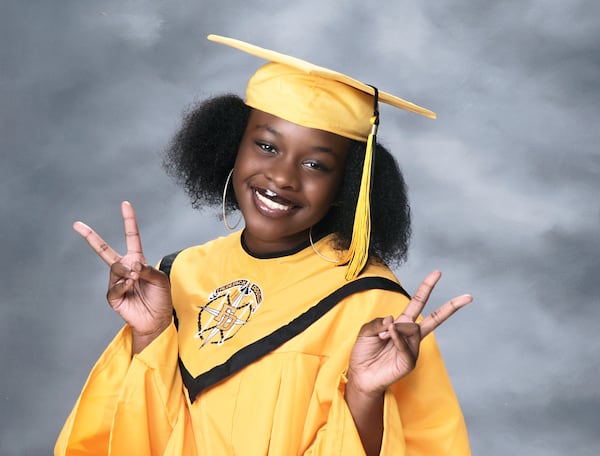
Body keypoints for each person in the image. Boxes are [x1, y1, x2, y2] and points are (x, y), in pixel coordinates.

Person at [55, 35, 473, 455]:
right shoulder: (180, 274)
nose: (282, 176)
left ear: (348, 185)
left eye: (315, 164)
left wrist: (364, 393)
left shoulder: (376, 310)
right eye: (267, 146)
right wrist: (151, 335)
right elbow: (137, 437)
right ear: (230, 148)